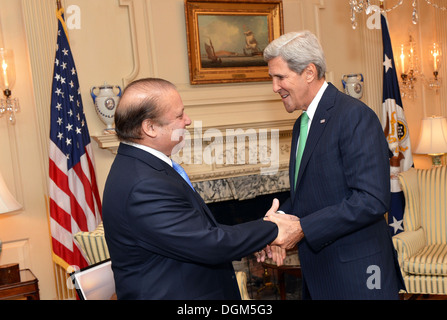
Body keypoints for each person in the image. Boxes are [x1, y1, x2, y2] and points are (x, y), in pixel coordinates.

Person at [102, 78, 299, 300]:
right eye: (179, 115)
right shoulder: (143, 184)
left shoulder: (144, 168)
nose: (188, 120)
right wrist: (272, 229)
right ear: (150, 127)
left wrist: (253, 240)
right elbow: (209, 243)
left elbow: (197, 230)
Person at [262, 31, 405, 299]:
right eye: (272, 78)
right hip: (321, 274)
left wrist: (302, 228)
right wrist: (276, 224)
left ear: (309, 72)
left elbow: (371, 199)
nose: (274, 87)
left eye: (280, 77)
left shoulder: (354, 116)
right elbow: (313, 195)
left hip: (359, 277)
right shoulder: (302, 123)